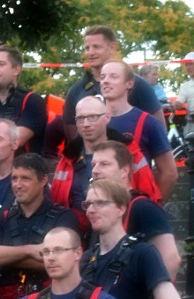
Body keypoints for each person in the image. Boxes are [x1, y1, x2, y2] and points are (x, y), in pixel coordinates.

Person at [0, 153, 78, 299]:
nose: (18, 184)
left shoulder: (64, 217)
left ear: (43, 180)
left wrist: (3, 258)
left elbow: (61, 261)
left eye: (25, 178)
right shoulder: (0, 219)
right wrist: (30, 250)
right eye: (14, 178)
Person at [51, 97, 163, 218]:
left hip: (122, 227)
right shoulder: (67, 159)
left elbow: (148, 194)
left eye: (93, 117)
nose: (86, 124)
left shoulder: (130, 154)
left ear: (107, 117)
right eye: (81, 118)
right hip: (77, 231)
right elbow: (56, 204)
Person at [89, 141, 181, 276]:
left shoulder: (144, 208)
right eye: (93, 165)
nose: (95, 171)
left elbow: (171, 260)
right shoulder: (98, 209)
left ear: (125, 171)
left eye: (104, 164)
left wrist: (152, 295)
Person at [63, 25, 165, 140]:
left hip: (132, 155)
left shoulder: (137, 84)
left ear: (112, 47)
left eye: (96, 47)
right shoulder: (76, 90)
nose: (90, 52)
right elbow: (72, 140)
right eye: (87, 48)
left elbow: (160, 132)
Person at [100, 60, 177, 200]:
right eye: (103, 76)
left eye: (113, 76)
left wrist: (150, 207)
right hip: (95, 208)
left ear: (129, 83)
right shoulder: (90, 121)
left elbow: (169, 173)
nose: (106, 81)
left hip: (132, 208)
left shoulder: (148, 123)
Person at [175, 51, 194, 138]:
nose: (188, 67)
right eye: (186, 65)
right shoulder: (185, 86)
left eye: (191, 64)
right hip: (191, 125)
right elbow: (178, 104)